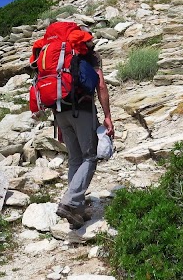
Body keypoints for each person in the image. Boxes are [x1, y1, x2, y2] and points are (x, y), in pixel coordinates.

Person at [55, 29, 114, 229]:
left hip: (60, 110)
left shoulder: (60, 56)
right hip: (82, 109)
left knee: (75, 159)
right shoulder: (91, 56)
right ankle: (70, 202)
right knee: (90, 157)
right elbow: (101, 86)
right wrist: (107, 116)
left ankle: (77, 211)